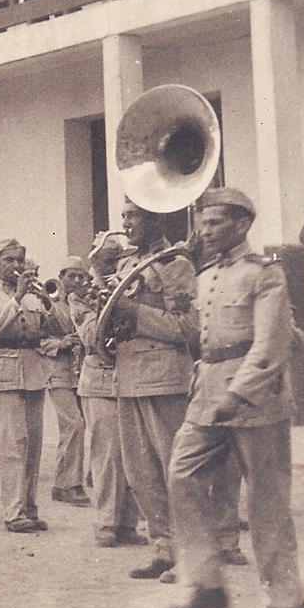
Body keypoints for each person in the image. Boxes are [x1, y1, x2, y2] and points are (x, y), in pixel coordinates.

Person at [165, 187, 304, 608]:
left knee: (265, 500)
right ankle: (206, 584)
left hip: (256, 400)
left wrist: (238, 393)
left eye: (215, 222)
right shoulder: (205, 276)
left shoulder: (264, 273)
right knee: (181, 475)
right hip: (208, 393)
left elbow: (270, 345)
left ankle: (287, 598)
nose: (204, 231)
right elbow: (203, 340)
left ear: (242, 224)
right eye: (202, 222)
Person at [109, 198, 197, 581]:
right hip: (128, 376)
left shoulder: (176, 265)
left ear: (155, 219)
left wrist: (135, 314)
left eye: (134, 216)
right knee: (140, 473)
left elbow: (186, 329)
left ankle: (192, 554)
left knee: (174, 469)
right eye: (125, 216)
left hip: (164, 375)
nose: (126, 223)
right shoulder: (126, 266)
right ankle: (163, 549)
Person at [0, 238, 61, 532]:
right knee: (11, 444)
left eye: (20, 260)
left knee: (33, 445)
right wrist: (17, 299)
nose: (15, 266)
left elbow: (62, 328)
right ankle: (13, 512)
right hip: (3, 371)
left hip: (33, 370)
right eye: (9, 260)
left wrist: (49, 301)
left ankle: (29, 506)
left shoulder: (36, 294)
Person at [71, 239, 147, 548]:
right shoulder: (80, 296)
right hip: (99, 379)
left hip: (128, 375)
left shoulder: (127, 286)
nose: (116, 263)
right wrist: (109, 301)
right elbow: (92, 335)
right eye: (109, 258)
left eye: (119, 257)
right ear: (96, 260)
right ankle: (105, 521)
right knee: (105, 456)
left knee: (132, 454)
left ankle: (127, 523)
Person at [44, 258, 90, 508]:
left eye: (80, 277)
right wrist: (59, 344)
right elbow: (37, 337)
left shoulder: (83, 302)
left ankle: (62, 484)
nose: (76, 282)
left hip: (80, 371)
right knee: (74, 424)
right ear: (61, 276)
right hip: (57, 370)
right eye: (71, 276)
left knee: (73, 428)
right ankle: (71, 484)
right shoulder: (50, 304)